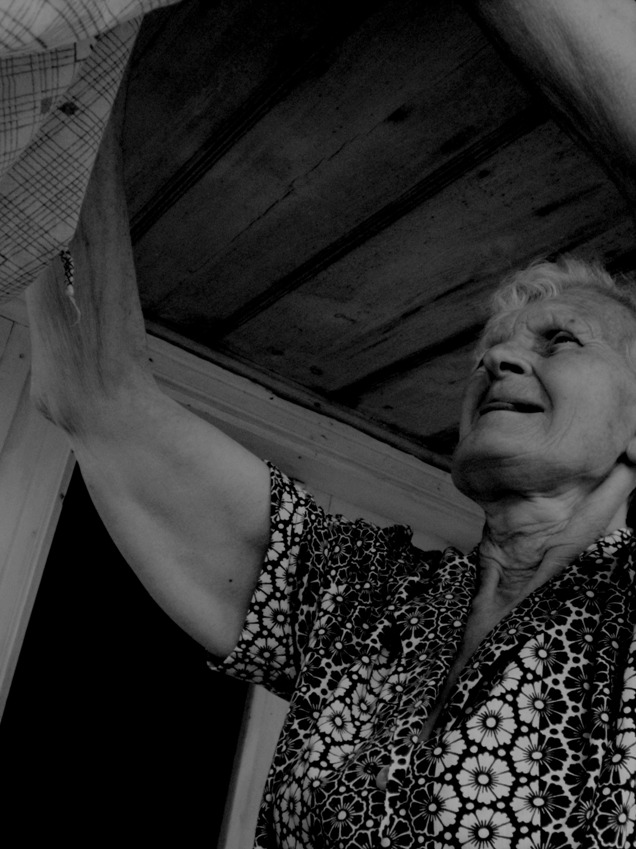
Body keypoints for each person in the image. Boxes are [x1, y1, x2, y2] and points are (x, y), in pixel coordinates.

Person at [23, 1, 636, 847]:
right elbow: (96, 389)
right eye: (489, 350)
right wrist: (83, 42)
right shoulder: (365, 597)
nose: (498, 358)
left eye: (559, 340)